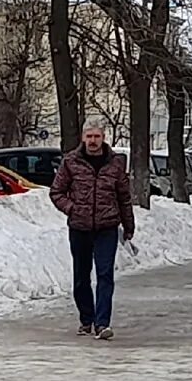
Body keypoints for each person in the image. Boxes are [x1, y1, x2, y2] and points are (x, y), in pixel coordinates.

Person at [50, 119, 135, 340]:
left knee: (105, 274)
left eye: (97, 136)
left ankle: (102, 323)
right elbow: (56, 192)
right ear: (83, 138)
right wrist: (72, 209)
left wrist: (128, 225)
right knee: (81, 276)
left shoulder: (115, 163)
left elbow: (124, 197)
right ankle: (86, 318)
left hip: (107, 227)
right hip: (79, 228)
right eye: (89, 136)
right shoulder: (71, 162)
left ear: (103, 137)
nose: (93, 141)